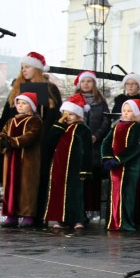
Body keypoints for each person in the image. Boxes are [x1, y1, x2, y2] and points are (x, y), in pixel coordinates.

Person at [44, 94, 94, 230]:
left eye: (71, 114)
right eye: (65, 114)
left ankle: (78, 219)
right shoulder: (61, 128)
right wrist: (59, 124)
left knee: (75, 193)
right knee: (59, 193)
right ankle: (62, 219)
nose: (68, 117)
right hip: (59, 166)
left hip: (75, 167)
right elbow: (49, 141)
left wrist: (85, 169)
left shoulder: (82, 129)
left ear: (78, 115)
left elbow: (87, 150)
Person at [102, 98, 140, 231]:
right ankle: (114, 221)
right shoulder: (117, 126)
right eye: (124, 110)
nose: (125, 113)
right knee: (114, 193)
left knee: (128, 194)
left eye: (129, 111)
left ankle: (126, 221)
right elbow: (106, 142)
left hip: (130, 168)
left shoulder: (138, 127)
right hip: (115, 167)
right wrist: (106, 158)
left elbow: (136, 146)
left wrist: (118, 159)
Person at [0, 91, 43, 228]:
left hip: (27, 161)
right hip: (11, 159)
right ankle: (11, 214)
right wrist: (2, 141)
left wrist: (11, 141)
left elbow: (31, 136)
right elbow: (2, 134)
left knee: (27, 186)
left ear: (32, 106)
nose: (20, 106)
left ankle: (27, 215)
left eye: (24, 103)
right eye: (18, 103)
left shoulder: (35, 121)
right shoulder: (11, 121)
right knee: (10, 186)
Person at [75, 71, 109, 223]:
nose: (86, 84)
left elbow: (106, 120)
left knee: (92, 179)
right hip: (78, 145)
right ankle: (77, 210)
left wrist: (97, 135)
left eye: (89, 81)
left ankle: (89, 210)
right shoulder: (74, 100)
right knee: (78, 178)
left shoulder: (100, 101)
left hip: (95, 146)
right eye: (84, 81)